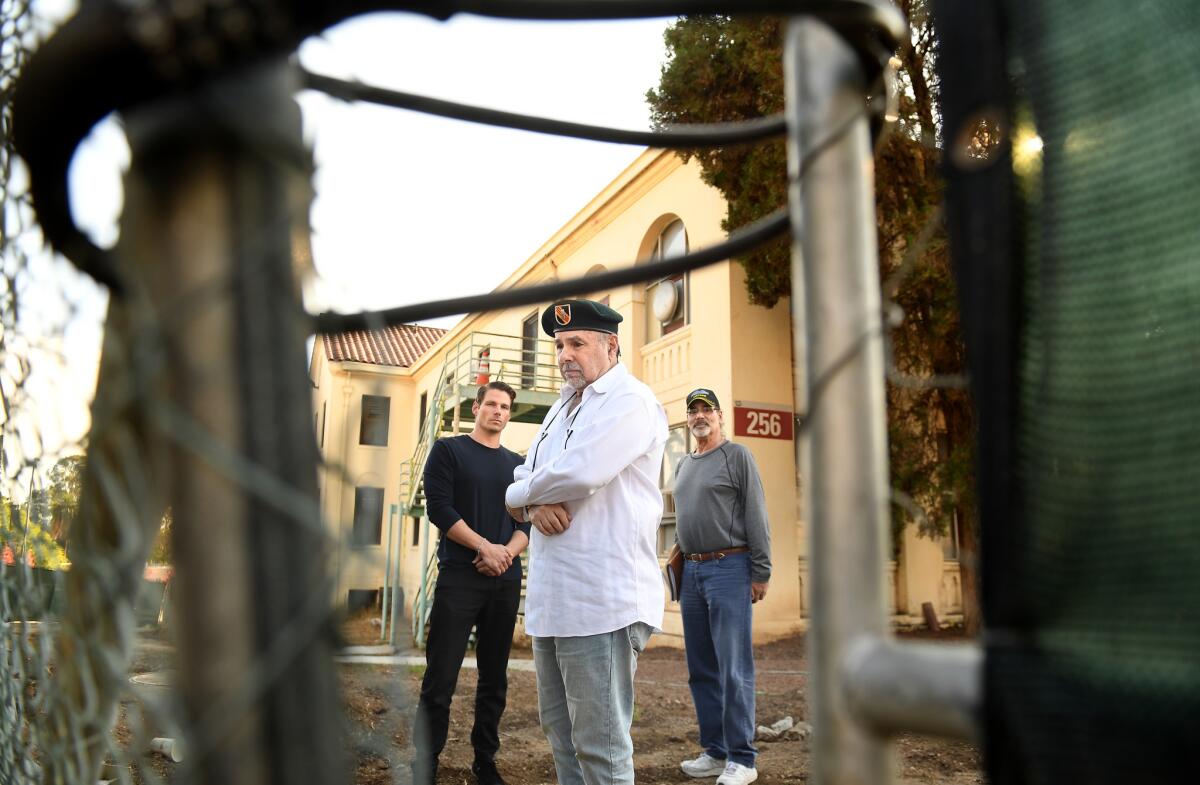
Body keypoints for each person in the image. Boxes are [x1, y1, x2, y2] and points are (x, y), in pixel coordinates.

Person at [504, 298, 668, 785]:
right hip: (554, 602)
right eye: (558, 345)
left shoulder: (630, 401)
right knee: (562, 741)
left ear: (610, 345)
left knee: (601, 749)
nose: (564, 355)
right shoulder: (560, 407)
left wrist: (518, 497)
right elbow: (526, 476)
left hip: (603, 603)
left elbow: (581, 473)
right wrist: (530, 505)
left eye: (577, 343)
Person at [412, 381, 529, 785]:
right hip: (460, 577)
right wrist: (484, 547)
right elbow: (439, 508)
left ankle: (485, 761)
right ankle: (425, 761)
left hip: (504, 577)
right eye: (491, 404)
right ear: (476, 408)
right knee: (441, 675)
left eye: (505, 407)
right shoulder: (449, 450)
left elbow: (526, 521)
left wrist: (505, 554)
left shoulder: (518, 464)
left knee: (494, 677)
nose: (498, 411)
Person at [673, 388, 771, 785]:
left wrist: (761, 571)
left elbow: (756, 513)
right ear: (688, 419)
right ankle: (715, 751)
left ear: (719, 417)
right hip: (693, 573)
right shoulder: (682, 464)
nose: (700, 416)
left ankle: (743, 759)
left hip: (730, 567)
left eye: (706, 409)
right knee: (701, 669)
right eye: (693, 410)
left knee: (733, 668)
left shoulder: (738, 456)